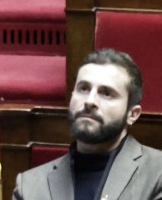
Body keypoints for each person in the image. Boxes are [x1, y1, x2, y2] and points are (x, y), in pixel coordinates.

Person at [13, 48, 162, 199]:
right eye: (83, 89)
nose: (89, 101)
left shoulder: (157, 173)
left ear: (132, 114)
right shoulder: (29, 186)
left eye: (106, 93)